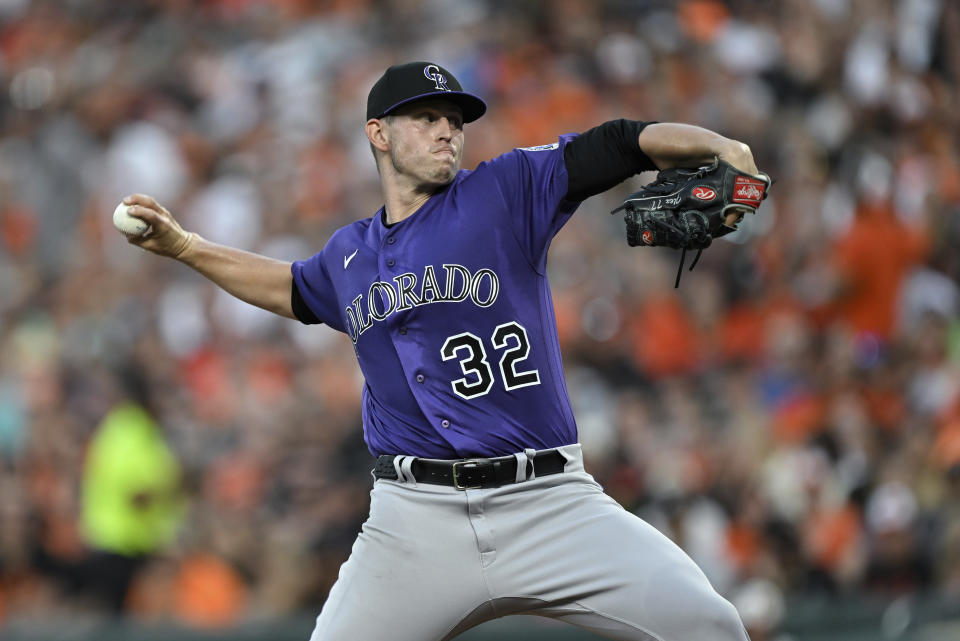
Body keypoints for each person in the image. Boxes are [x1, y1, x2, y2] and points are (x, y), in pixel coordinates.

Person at [121, 61, 764, 641]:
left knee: (710, 626)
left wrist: (719, 145)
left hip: (546, 500)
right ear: (378, 134)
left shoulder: (505, 191)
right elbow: (291, 288)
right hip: (414, 521)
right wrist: (187, 248)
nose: (446, 131)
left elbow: (618, 143)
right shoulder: (349, 254)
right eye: (426, 117)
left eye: (454, 120)